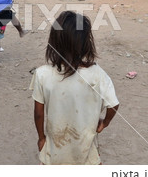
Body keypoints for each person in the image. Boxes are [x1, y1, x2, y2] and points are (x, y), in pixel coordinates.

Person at [30, 10, 120, 165]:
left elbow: (38, 113)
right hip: (86, 152)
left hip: (54, 150)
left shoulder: (42, 74)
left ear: (54, 41)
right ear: (87, 43)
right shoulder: (98, 74)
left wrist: (41, 137)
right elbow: (113, 105)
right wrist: (105, 122)